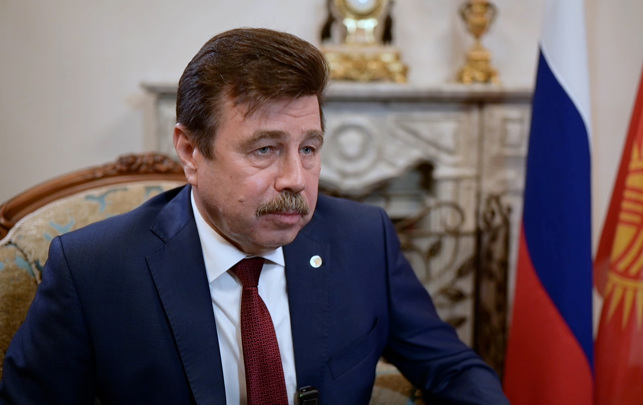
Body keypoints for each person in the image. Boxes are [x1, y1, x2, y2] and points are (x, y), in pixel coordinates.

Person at [0, 28, 508, 405]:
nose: (295, 179)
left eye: (308, 148)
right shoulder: (94, 270)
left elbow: (452, 368)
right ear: (191, 152)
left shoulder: (363, 240)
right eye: (265, 149)